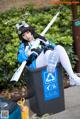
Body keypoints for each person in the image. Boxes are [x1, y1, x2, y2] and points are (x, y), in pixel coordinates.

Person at [16, 21, 80, 86]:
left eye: (27, 32)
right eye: (23, 35)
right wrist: (27, 54)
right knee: (47, 52)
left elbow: (54, 47)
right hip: (36, 64)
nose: (26, 36)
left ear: (31, 31)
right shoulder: (23, 46)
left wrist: (46, 43)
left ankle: (72, 77)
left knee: (59, 47)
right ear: (22, 37)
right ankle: (51, 68)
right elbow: (19, 58)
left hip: (49, 58)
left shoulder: (40, 38)